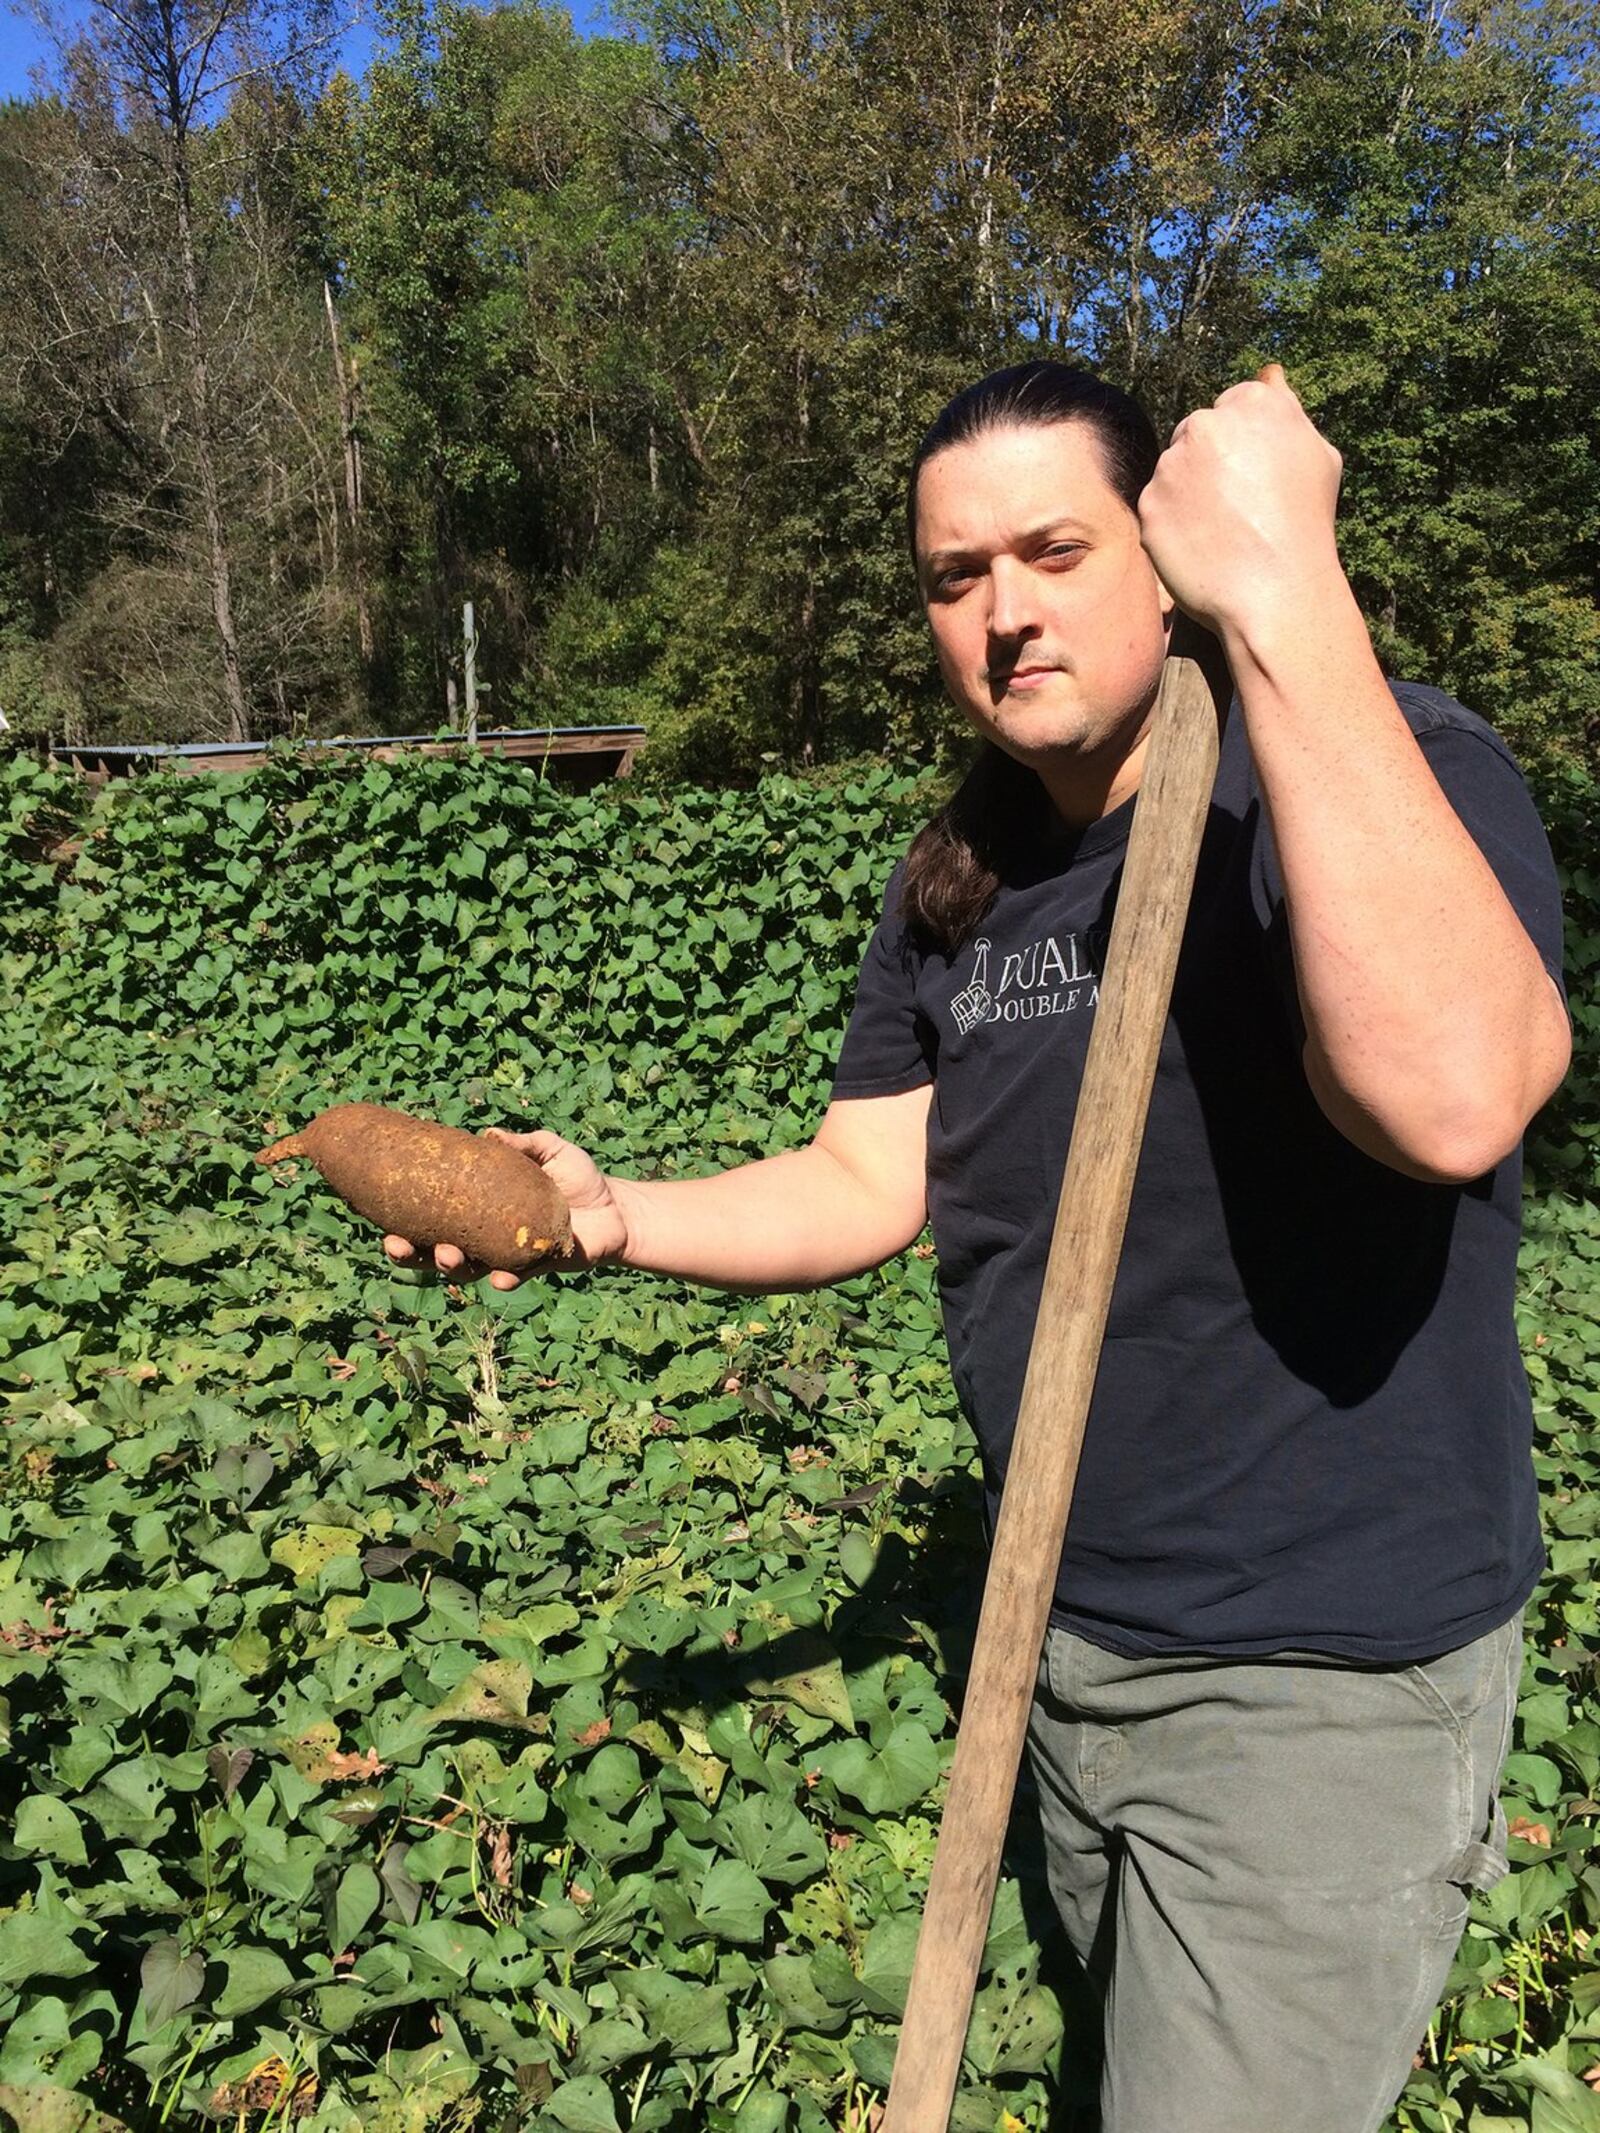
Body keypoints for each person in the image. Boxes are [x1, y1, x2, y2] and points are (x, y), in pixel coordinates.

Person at [385, 362, 1570, 2133]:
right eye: (956, 576)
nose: (1003, 611)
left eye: (1053, 548)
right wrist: (613, 1218)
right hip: (1057, 1644)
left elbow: (1464, 1095)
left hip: (1312, 1681)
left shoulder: (1362, 767)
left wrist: (1295, 596)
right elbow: (870, 1175)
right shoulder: (968, 873)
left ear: (1164, 554)